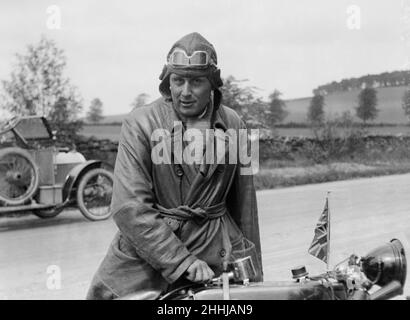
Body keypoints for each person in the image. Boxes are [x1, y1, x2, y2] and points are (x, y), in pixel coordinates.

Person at [86, 32, 263, 300]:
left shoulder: (235, 124)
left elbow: (246, 204)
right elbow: (129, 207)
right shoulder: (140, 123)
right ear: (167, 82)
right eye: (178, 81)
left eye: (196, 82)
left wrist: (255, 271)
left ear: (213, 84)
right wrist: (182, 261)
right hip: (150, 254)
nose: (185, 92)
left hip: (218, 248)